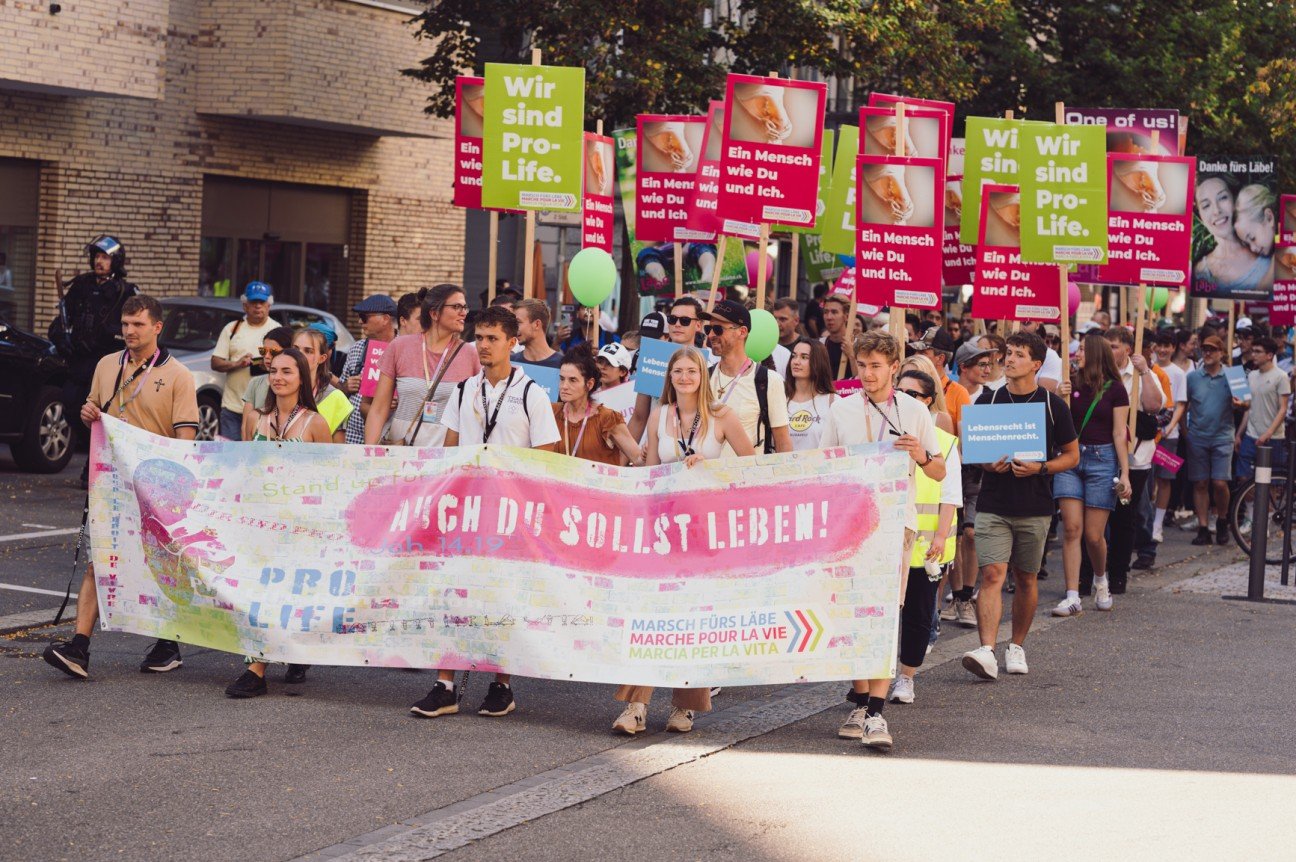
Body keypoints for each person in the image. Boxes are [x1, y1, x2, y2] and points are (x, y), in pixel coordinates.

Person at [410, 305, 561, 721]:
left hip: (509, 512)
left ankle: (501, 684)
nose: (484, 345)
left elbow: (546, 455)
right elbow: (452, 448)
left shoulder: (532, 393)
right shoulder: (464, 390)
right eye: (480, 338)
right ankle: (445, 684)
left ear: (513, 343)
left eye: (493, 338)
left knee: (503, 597)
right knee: (453, 592)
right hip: (468, 510)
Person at [43, 295, 200, 680]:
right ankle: (79, 646)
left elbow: (186, 439)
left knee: (158, 563)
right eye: (126, 325)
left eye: (138, 325)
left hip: (154, 487)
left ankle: (168, 642)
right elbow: (93, 411)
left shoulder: (178, 374)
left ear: (157, 328)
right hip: (110, 481)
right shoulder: (106, 364)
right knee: (101, 560)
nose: (129, 331)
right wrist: (86, 414)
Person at [613, 347, 754, 735]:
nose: (686, 377)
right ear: (669, 376)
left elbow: (751, 465)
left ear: (702, 376)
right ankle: (636, 706)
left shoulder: (722, 415)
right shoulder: (661, 415)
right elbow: (651, 472)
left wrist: (710, 467)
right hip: (663, 529)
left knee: (693, 617)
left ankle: (685, 707)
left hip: (706, 531)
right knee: (652, 615)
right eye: (678, 371)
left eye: (692, 370)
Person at [820, 330, 945, 752]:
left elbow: (940, 471)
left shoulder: (913, 410)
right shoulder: (841, 409)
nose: (868, 373)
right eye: (862, 365)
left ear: (895, 367)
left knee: (883, 613)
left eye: (876, 366)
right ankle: (859, 700)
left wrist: (920, 455)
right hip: (850, 526)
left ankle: (876, 710)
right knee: (855, 615)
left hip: (896, 524)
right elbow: (823, 466)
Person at [960, 332, 1079, 680]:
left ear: (1036, 364)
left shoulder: (1052, 405)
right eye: (1008, 353)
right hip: (993, 503)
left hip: (1035, 505)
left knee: (1026, 578)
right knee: (993, 574)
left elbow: (1072, 456)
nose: (1008, 360)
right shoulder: (988, 402)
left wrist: (1041, 467)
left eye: (1018, 355)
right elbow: (974, 451)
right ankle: (986, 650)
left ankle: (1017, 645)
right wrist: (987, 464)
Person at [224, 348, 333, 698]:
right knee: (261, 594)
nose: (278, 377)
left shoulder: (314, 424)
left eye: (287, 371)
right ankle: (255, 669)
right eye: (273, 371)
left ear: (302, 377)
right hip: (263, 525)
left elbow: (330, 480)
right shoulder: (259, 418)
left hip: (300, 526)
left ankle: (294, 650)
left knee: (291, 596)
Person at [888, 367, 961, 705]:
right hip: (888, 542)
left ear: (928, 401)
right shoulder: (883, 434)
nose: (903, 399)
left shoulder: (943, 442)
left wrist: (940, 538)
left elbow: (950, 493)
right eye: (899, 391)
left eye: (913, 394)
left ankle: (906, 677)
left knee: (917, 615)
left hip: (924, 547)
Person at [1053, 333, 1130, 616]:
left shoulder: (1116, 389)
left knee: (1094, 536)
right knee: (1071, 529)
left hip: (1102, 460)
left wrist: (1125, 474)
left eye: (1083, 349)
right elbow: (1062, 426)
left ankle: (1100, 578)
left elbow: (1119, 432)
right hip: (1071, 458)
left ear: (1096, 353)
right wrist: (1061, 398)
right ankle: (1072, 594)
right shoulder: (1069, 383)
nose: (1077, 353)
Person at [50, 236, 141, 462]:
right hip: (78, 360)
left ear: (116, 261)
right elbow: (61, 321)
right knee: (71, 406)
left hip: (105, 361)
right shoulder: (82, 285)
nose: (99, 262)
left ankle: (94, 464)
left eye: (105, 257)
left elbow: (129, 329)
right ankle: (90, 450)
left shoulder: (125, 291)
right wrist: (64, 340)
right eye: (97, 257)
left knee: (100, 413)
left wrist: (103, 339)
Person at [364, 284, 480, 448]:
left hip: (446, 457)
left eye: (464, 307)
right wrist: (369, 452)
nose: (463, 312)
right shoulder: (399, 347)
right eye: (456, 307)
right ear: (434, 313)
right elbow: (378, 409)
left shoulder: (470, 354)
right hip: (401, 454)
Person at [1099, 326, 1166, 595]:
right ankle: (1092, 573)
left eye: (1114, 346)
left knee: (1124, 517)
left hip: (1134, 458)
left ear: (1128, 349)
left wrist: (1145, 371)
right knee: (1097, 518)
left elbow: (1153, 406)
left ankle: (1118, 574)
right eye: (1107, 346)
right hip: (1102, 454)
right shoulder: (1098, 373)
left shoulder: (1140, 374)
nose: (1109, 351)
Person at [947, 341, 997, 629]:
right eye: (981, 364)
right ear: (963, 367)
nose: (986, 369)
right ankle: (958, 597)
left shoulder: (991, 397)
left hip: (979, 473)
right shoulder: (951, 393)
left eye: (989, 364)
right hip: (954, 469)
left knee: (971, 533)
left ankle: (967, 592)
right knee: (954, 535)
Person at [703, 299, 792, 455]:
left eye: (718, 329)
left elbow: (782, 442)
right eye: (708, 328)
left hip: (747, 476)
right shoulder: (703, 377)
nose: (710, 335)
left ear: (742, 332)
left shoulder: (769, 380)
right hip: (705, 476)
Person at [628, 296, 707, 440]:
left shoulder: (708, 363)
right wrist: (621, 460)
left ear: (698, 325)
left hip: (693, 449)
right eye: (672, 319)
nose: (677, 324)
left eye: (685, 320)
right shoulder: (654, 355)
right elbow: (639, 417)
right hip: (655, 448)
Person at [554, 344, 642, 466]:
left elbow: (638, 459)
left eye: (572, 380)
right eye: (562, 379)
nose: (564, 386)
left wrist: (647, 454)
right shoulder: (550, 412)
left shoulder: (608, 418)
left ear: (589, 384)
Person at [211, 282, 279, 441]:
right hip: (232, 408)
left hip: (265, 409)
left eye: (262, 302)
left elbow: (289, 364)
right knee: (231, 458)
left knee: (258, 458)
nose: (258, 307)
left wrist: (268, 365)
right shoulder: (232, 329)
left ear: (269, 305)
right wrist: (237, 364)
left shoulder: (277, 330)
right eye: (253, 302)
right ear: (244, 306)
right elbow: (215, 362)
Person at [1184, 335, 1235, 546]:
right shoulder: (1193, 377)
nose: (1208, 353)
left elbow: (1247, 402)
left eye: (1212, 350)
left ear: (1221, 353)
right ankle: (1204, 527)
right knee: (1200, 483)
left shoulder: (1233, 375)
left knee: (1220, 483)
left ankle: (1222, 520)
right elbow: (1183, 404)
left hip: (1223, 436)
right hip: (1197, 436)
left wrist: (1242, 405)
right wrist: (1184, 431)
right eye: (1204, 349)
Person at [1194, 174, 1272, 294]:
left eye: (1223, 198)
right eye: (1206, 205)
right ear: (1200, 216)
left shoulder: (1268, 251)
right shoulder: (1200, 272)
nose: (1216, 210)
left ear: (1234, 200)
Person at [339, 294, 398, 445]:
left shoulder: (403, 349)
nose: (360, 321)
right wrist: (346, 387)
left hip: (388, 440)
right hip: (353, 439)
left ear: (385, 318)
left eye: (364, 317)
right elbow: (339, 392)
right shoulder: (357, 349)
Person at [1151, 330, 1188, 543]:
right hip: (1148, 435)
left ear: (1174, 348)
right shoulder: (1148, 369)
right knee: (1147, 481)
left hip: (1169, 435)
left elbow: (1181, 404)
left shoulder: (1178, 374)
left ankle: (1158, 525)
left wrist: (1170, 426)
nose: (1163, 350)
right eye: (1160, 345)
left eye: (1168, 346)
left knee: (1164, 480)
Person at [1236, 336, 1290, 479]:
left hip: (1273, 437)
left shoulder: (1281, 376)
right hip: (1250, 435)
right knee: (1243, 478)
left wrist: (1268, 433)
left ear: (1269, 355)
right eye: (1253, 351)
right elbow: (1249, 407)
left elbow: (1283, 409)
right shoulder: (1252, 375)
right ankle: (1250, 502)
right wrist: (1239, 434)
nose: (1253, 355)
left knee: (1270, 481)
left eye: (1258, 351)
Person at [292, 325, 353, 442]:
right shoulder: (279, 388)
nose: (299, 355)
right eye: (295, 349)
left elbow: (337, 450)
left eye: (308, 351)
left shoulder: (335, 398)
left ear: (322, 358)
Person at [909, 326, 970, 434]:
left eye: (923, 353)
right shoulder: (906, 386)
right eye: (916, 351)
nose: (915, 356)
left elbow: (965, 441)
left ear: (940, 359)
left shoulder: (959, 393)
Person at [239, 326, 295, 440]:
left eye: (273, 352)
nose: (267, 357)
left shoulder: (296, 383)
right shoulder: (255, 383)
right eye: (263, 351)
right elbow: (245, 426)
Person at [784, 338, 835, 451]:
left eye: (804, 357)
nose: (796, 361)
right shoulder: (780, 399)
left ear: (818, 362)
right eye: (794, 356)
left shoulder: (833, 402)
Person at [900, 353, 955, 434]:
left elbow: (946, 447)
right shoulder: (890, 413)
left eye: (917, 376)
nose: (908, 380)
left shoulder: (941, 419)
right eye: (904, 375)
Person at [512, 298, 563, 368]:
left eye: (518, 322)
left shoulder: (562, 364)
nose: (513, 327)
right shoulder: (512, 363)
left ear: (537, 324)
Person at [819, 294, 854, 379]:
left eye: (834, 312)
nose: (829, 317)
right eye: (826, 312)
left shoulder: (858, 344)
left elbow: (860, 381)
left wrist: (852, 355)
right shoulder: (820, 344)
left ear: (846, 316)